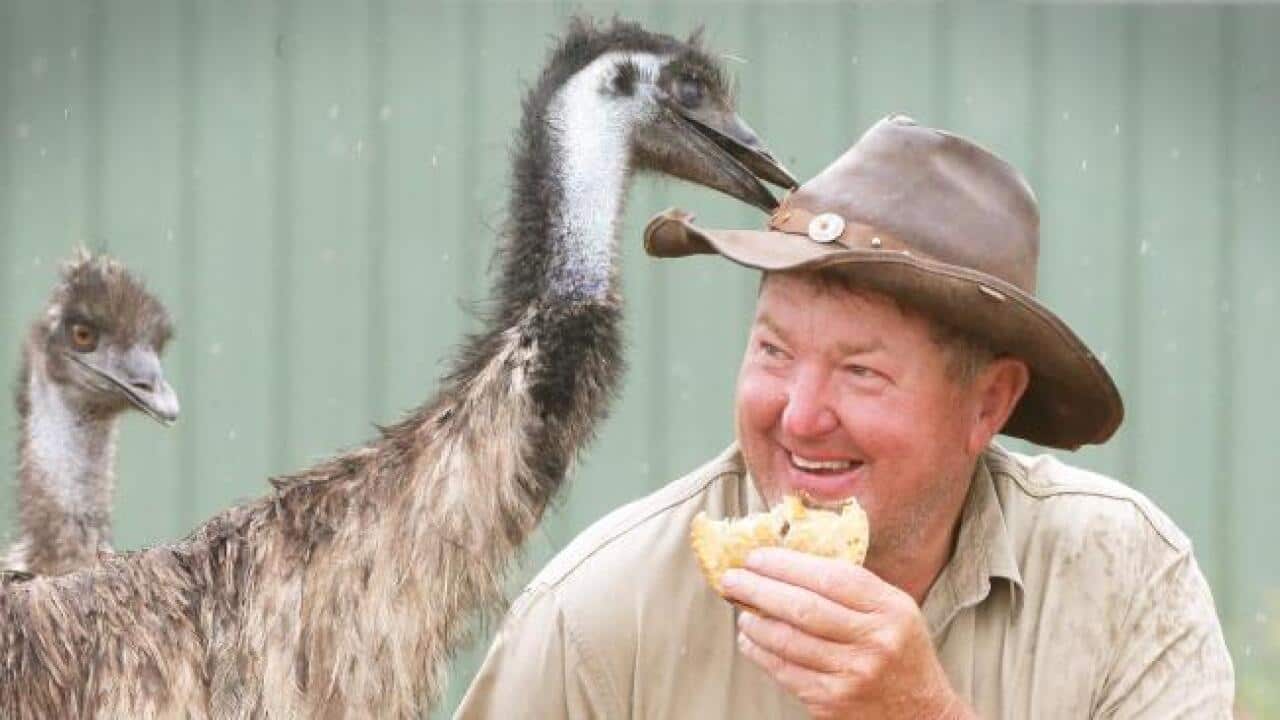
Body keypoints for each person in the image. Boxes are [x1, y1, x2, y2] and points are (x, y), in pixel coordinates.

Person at [453, 115, 1234, 719]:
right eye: (773, 352)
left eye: (861, 372)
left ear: (987, 403)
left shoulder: (1124, 578)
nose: (798, 414)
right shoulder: (596, 618)